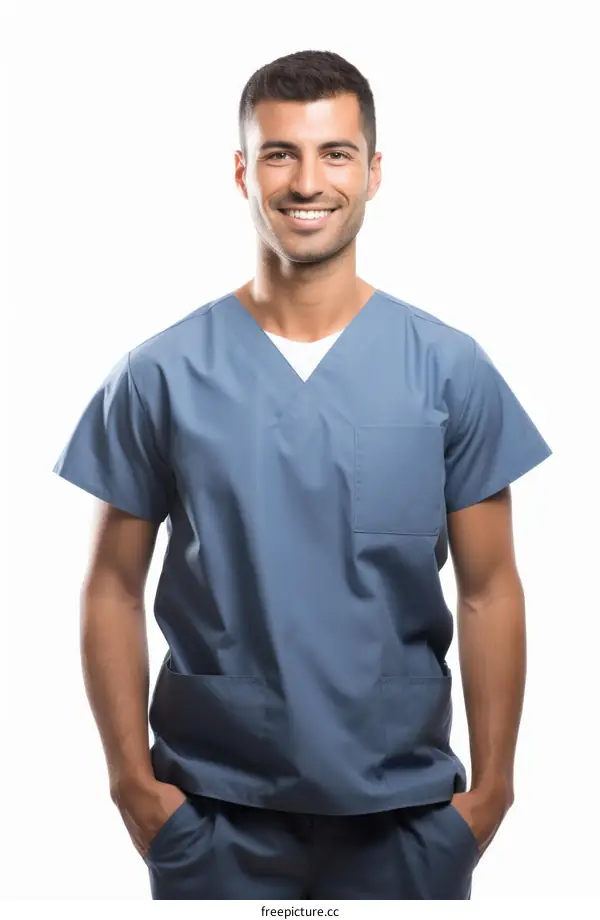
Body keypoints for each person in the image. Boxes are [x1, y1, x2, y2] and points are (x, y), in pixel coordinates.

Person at [52, 49, 553, 900]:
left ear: (374, 172)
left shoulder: (447, 369)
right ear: (243, 170)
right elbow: (110, 587)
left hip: (407, 817)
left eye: (335, 153)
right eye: (280, 153)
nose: (306, 181)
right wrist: (135, 790)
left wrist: (492, 794)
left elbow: (489, 589)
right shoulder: (160, 374)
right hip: (213, 813)